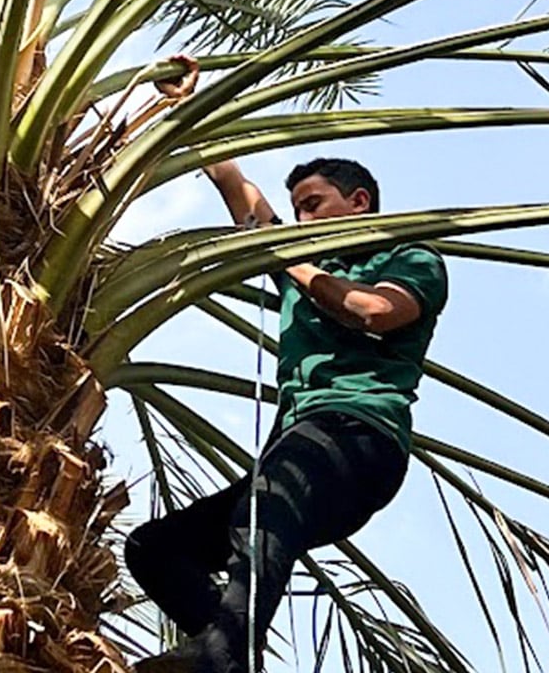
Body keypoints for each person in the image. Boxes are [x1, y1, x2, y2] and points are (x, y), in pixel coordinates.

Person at [126, 158, 448, 673]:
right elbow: (234, 184)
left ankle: (221, 654)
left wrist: (291, 257)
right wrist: (187, 101)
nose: (299, 220)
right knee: (154, 548)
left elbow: (373, 311)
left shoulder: (410, 257)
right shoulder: (304, 267)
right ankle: (233, 656)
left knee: (263, 506)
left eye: (312, 205)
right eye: (295, 211)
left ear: (359, 202)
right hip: (296, 453)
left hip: (357, 436)